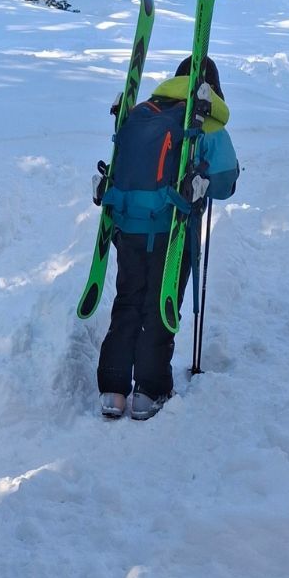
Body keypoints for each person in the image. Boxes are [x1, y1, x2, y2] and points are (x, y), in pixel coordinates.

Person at [96, 55, 239, 420]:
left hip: (129, 225)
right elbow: (225, 182)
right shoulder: (203, 118)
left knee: (129, 300)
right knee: (162, 305)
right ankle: (150, 390)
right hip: (172, 230)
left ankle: (112, 390)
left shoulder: (143, 111)